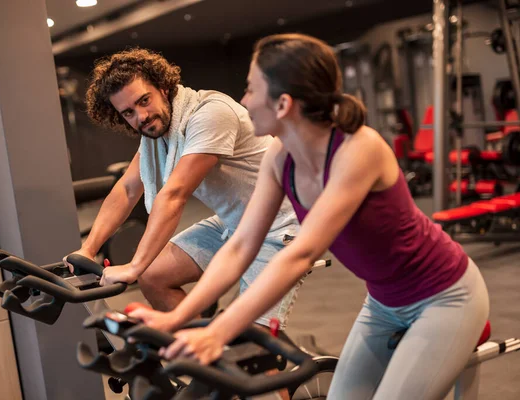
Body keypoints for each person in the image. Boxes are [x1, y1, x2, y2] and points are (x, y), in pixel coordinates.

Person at [130, 34, 490, 400]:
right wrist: (178, 318)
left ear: (283, 103)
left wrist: (217, 333)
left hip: (443, 296)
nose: (244, 100)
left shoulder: (357, 149)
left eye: (251, 89)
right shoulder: (279, 158)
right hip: (383, 304)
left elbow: (300, 253)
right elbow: (240, 247)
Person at [63, 47, 302, 331]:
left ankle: (231, 357)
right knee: (154, 276)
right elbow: (127, 189)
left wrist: (133, 266)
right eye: (128, 112)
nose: (140, 116)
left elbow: (175, 194)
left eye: (144, 100)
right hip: (233, 224)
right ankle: (206, 359)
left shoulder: (209, 114)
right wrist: (87, 249)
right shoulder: (157, 134)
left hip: (279, 229)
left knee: (252, 344)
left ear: (164, 88)